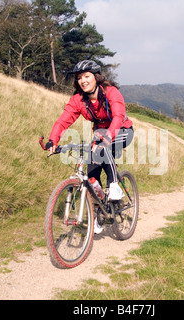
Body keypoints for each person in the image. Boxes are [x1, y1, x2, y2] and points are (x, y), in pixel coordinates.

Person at [45, 60, 134, 233]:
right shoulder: (78, 99)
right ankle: (99, 212)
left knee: (103, 148)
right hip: (100, 133)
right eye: (79, 78)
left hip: (122, 130)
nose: (83, 81)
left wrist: (107, 138)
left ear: (96, 77)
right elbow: (64, 120)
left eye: (87, 76)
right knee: (92, 172)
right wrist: (53, 140)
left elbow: (118, 116)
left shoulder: (111, 92)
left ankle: (115, 184)